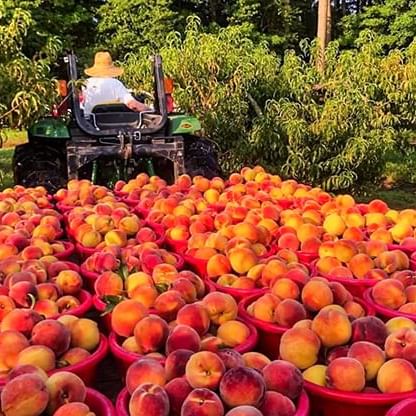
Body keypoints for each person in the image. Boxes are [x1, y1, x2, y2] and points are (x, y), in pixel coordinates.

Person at [82, 51, 149, 117]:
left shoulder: (86, 84)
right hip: (113, 122)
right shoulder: (116, 84)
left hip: (88, 124)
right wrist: (150, 110)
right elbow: (133, 105)